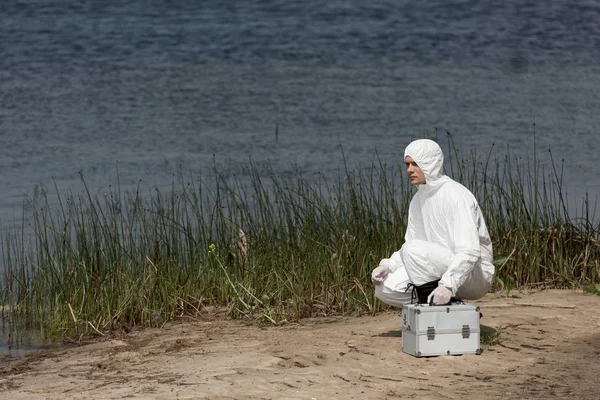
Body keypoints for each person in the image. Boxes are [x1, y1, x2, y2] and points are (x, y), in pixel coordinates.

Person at [371, 138, 494, 306]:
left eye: (415, 164)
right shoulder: (417, 200)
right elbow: (413, 248)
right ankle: (449, 305)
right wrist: (388, 266)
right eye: (407, 165)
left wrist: (448, 285)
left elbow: (470, 251)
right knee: (385, 287)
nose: (409, 170)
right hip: (441, 270)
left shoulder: (455, 195)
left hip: (474, 275)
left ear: (430, 163)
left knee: (412, 249)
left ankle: (436, 312)